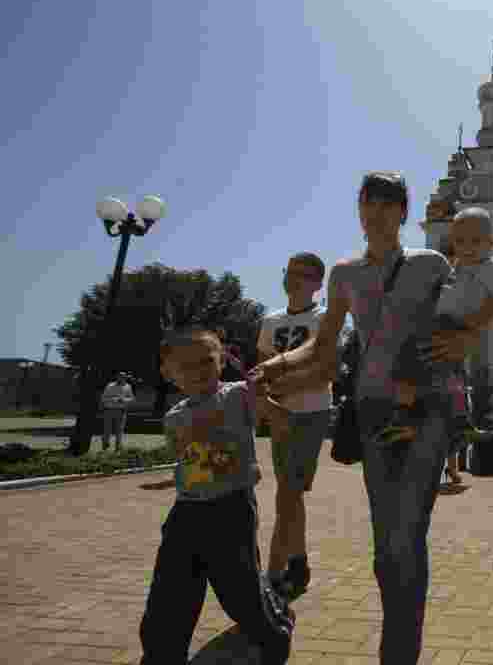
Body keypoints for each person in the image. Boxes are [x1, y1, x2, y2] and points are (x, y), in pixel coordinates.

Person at [249, 171, 480, 665]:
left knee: (404, 536)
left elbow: (464, 316)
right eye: (366, 203)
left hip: (424, 407)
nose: (374, 212)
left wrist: (467, 338)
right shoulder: (345, 273)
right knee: (384, 546)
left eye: (386, 203)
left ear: (402, 210)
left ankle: (397, 654)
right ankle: (399, 642)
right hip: (374, 411)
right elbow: (324, 342)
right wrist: (276, 364)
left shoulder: (430, 263)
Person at [139, 326, 294, 665]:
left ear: (222, 362)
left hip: (231, 509)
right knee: (169, 596)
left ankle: (273, 635)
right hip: (187, 512)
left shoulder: (239, 395)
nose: (197, 371)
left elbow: (283, 422)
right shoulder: (174, 417)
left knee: (240, 594)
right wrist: (171, 480)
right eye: (185, 365)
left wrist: (264, 398)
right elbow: (192, 463)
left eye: (206, 361)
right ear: (168, 373)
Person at [388, 206, 493, 474]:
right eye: (460, 241)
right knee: (412, 363)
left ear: (491, 243)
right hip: (433, 323)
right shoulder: (453, 267)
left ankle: (458, 420)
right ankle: (404, 413)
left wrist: (475, 324)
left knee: (448, 370)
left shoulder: (491, 269)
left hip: (456, 325)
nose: (466, 248)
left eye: (475, 242)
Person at [256, 252, 335, 601]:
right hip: (279, 413)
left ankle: (272, 573)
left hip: (310, 412)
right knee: (288, 492)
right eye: (289, 272)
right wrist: (270, 397)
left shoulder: (325, 319)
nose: (293, 279)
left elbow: (326, 371)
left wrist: (284, 386)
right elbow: (263, 368)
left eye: (303, 275)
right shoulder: (270, 320)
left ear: (318, 283)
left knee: (288, 493)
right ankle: (298, 563)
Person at [100, 372, 134, 452]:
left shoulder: (128, 387)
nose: (121, 378)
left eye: (123, 377)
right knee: (107, 430)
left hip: (121, 411)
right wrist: (113, 399)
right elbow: (103, 398)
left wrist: (124, 400)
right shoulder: (110, 386)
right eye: (120, 376)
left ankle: (118, 448)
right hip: (109, 410)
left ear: (125, 378)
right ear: (117, 377)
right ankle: (105, 446)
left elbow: (131, 398)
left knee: (119, 431)